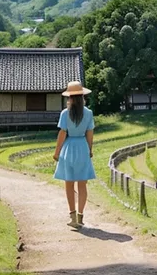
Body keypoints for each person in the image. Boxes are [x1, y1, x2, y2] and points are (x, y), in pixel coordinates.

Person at [53, 81, 96, 228]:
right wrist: (89, 150)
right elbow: (89, 134)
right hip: (82, 147)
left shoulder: (65, 113)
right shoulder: (88, 113)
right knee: (82, 184)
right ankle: (80, 216)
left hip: (68, 148)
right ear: (82, 96)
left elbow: (62, 133)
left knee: (69, 184)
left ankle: (72, 216)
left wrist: (57, 152)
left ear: (70, 98)